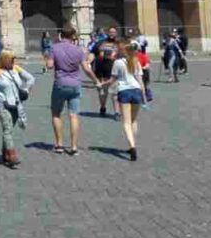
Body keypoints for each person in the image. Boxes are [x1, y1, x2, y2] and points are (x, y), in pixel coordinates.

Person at [46, 26, 100, 156]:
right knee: (73, 115)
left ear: (60, 35)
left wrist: (47, 58)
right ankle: (74, 146)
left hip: (60, 84)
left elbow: (49, 65)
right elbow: (87, 69)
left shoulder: (54, 47)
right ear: (73, 36)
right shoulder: (78, 50)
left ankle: (59, 144)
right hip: (75, 84)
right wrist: (96, 80)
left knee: (56, 114)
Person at [0, 50, 34, 168]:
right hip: (1, 104)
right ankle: (11, 155)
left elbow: (31, 78)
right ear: (4, 60)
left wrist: (26, 90)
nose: (13, 61)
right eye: (11, 59)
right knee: (7, 128)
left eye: (13, 59)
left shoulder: (16, 69)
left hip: (16, 104)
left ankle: (4, 154)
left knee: (9, 130)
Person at [105, 41, 147, 161]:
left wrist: (101, 83)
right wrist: (144, 97)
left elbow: (112, 79)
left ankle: (132, 146)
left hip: (124, 91)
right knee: (133, 121)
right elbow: (140, 81)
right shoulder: (135, 61)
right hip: (137, 91)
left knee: (126, 122)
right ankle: (132, 143)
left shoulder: (117, 62)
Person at [92, 26, 120, 116]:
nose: (112, 33)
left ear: (116, 33)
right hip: (101, 70)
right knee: (102, 92)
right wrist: (88, 62)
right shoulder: (100, 43)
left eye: (114, 32)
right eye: (110, 32)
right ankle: (103, 107)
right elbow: (93, 53)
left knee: (115, 92)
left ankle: (117, 112)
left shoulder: (119, 43)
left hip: (114, 71)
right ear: (108, 32)